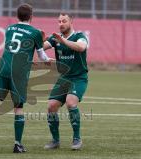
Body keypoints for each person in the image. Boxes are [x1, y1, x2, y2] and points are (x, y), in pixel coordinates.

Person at [0, 3, 52, 154]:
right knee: (18, 107)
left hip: (3, 67)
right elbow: (42, 55)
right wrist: (47, 59)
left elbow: (16, 49)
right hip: (19, 73)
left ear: (17, 16)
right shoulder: (35, 32)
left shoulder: (9, 29)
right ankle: (17, 144)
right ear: (31, 16)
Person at [43, 13, 89, 150]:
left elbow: (81, 47)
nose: (61, 24)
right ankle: (55, 141)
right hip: (64, 78)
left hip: (79, 78)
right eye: (59, 21)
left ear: (71, 22)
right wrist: (39, 43)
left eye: (64, 21)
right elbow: (42, 46)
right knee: (51, 106)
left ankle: (77, 139)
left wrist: (62, 41)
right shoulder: (55, 38)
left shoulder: (79, 36)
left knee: (70, 102)